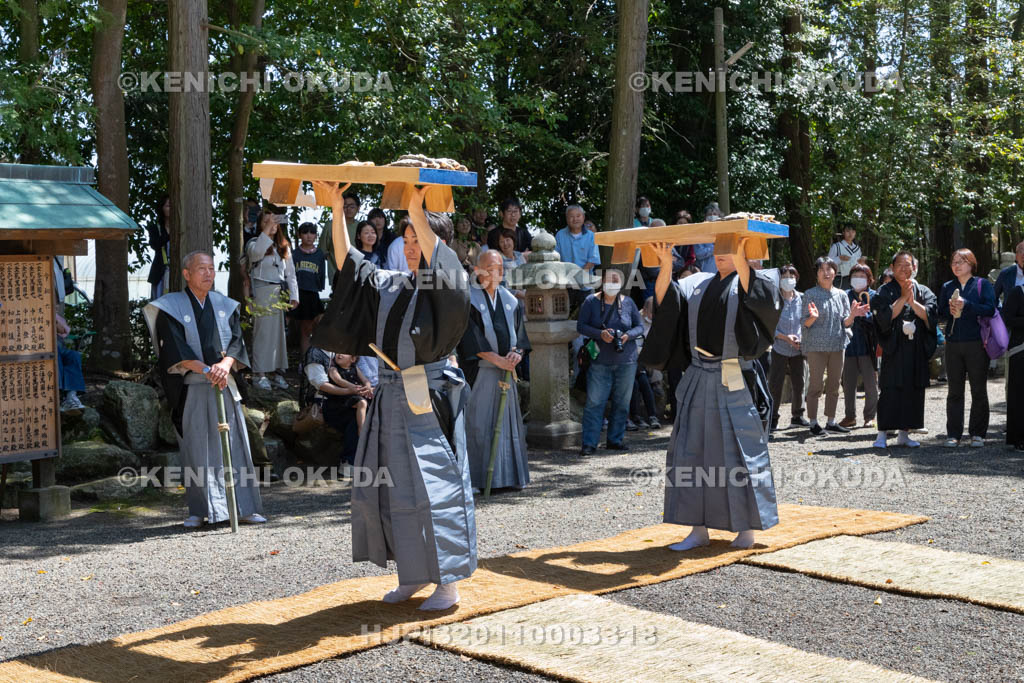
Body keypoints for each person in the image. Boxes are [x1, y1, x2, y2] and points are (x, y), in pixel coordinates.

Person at [311, 180, 474, 611]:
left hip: (429, 394)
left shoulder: (450, 281)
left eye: (419, 239)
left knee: (436, 488)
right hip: (389, 395)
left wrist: (415, 203)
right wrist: (335, 207)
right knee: (395, 489)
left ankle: (448, 582)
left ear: (439, 246)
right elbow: (349, 262)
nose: (411, 247)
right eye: (406, 240)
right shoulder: (392, 283)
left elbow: (439, 259)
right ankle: (412, 574)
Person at [641, 239, 782, 550]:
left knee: (739, 454)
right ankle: (698, 529)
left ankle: (747, 530)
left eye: (727, 248)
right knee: (691, 452)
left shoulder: (755, 281)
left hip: (732, 375)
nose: (720, 254)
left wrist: (742, 252)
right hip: (698, 374)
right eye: (717, 248)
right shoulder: (698, 283)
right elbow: (665, 303)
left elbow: (760, 303)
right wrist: (666, 264)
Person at [143, 251, 265, 528]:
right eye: (201, 269)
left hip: (224, 384)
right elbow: (175, 350)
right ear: (186, 274)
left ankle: (244, 508)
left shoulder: (225, 305)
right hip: (195, 387)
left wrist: (225, 365)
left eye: (211, 268)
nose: (208, 273)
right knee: (197, 450)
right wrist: (208, 370)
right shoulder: (170, 307)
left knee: (235, 447)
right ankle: (199, 510)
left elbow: (236, 342)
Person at [458, 250, 531, 491]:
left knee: (508, 425)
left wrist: (516, 354)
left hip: (506, 371)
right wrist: (498, 360)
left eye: (499, 269)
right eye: (489, 268)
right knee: (478, 424)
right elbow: (470, 340)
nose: (494, 273)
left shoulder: (510, 300)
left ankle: (510, 477)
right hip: (481, 372)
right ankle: (478, 479)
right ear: (477, 270)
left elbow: (521, 337)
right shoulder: (468, 300)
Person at [870, 251, 938, 449]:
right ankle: (882, 434)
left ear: (914, 267)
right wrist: (902, 298)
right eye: (899, 265)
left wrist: (912, 302)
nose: (903, 268)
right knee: (890, 389)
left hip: (915, 348)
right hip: (894, 348)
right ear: (892, 268)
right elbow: (884, 318)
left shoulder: (923, 291)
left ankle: (904, 434)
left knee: (913, 389)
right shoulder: (884, 291)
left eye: (908, 264)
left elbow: (930, 316)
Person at [577, 269, 643, 456]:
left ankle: (615, 440)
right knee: (595, 402)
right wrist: (600, 334)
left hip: (626, 359)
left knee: (622, 403)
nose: (612, 283)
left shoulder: (628, 302)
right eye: (608, 279)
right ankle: (589, 443)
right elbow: (581, 326)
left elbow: (639, 326)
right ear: (602, 282)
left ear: (621, 283)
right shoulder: (591, 301)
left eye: (616, 280)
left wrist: (627, 335)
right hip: (600, 360)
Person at [802, 256, 868, 436]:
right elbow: (804, 323)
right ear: (816, 274)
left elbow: (845, 323)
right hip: (816, 346)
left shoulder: (841, 295)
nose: (826, 273)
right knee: (815, 385)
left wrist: (853, 315)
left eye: (829, 269)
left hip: (838, 345)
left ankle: (831, 421)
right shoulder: (809, 294)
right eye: (821, 269)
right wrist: (812, 317)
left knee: (834, 385)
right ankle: (813, 422)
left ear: (835, 272)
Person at [937, 248, 995, 448]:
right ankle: (954, 434)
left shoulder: (982, 284)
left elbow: (990, 309)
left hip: (977, 343)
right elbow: (940, 312)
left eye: (961, 261)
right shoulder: (947, 286)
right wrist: (950, 308)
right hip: (953, 343)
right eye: (954, 262)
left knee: (978, 389)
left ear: (971, 263)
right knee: (954, 391)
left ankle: (978, 433)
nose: (956, 265)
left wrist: (966, 304)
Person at [246, 209, 299, 390]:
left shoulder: (283, 246)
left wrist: (294, 295)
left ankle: (278, 372)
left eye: (274, 221)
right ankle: (259, 374)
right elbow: (256, 254)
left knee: (279, 336)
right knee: (262, 334)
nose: (271, 225)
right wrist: (267, 231)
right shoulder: (254, 243)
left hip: (279, 292)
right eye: (266, 221)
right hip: (262, 291)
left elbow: (290, 273)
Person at [300, 346, 371, 462]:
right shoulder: (315, 353)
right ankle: (349, 460)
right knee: (353, 418)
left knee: (369, 409)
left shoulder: (337, 348)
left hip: (344, 398)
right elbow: (322, 385)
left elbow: (364, 380)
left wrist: (365, 389)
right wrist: (351, 390)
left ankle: (367, 456)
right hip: (324, 401)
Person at [767, 264, 808, 430]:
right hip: (779, 348)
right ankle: (772, 418)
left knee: (800, 383)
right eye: (784, 277)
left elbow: (807, 322)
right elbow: (769, 326)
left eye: (791, 277)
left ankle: (798, 416)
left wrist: (802, 338)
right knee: (775, 385)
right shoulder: (774, 299)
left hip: (799, 349)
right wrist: (785, 338)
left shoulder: (803, 298)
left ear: (796, 279)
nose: (788, 280)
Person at [839, 264, 878, 429]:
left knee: (870, 384)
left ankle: (870, 416)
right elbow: (840, 319)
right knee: (848, 384)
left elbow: (880, 320)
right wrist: (853, 314)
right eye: (855, 276)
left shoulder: (875, 296)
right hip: (848, 346)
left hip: (868, 346)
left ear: (869, 280)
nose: (858, 279)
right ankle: (850, 416)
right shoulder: (844, 295)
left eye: (862, 276)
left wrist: (866, 315)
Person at [555, 204, 601, 312]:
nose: (575, 219)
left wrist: (579, 276)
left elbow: (593, 259)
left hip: (586, 284)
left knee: (588, 314)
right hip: (565, 283)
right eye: (571, 216)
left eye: (578, 216)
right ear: (567, 219)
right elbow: (555, 258)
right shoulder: (560, 235)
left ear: (583, 217)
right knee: (562, 313)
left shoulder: (591, 236)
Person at [291, 222, 327, 356]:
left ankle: (315, 357)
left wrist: (320, 286)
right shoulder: (294, 254)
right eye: (305, 232)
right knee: (303, 329)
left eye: (312, 233)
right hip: (298, 293)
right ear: (299, 235)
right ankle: (304, 359)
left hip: (313, 293)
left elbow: (321, 273)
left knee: (314, 325)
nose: (309, 236)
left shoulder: (319, 254)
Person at [628, 297, 660, 430]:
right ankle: (635, 416)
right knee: (635, 384)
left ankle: (652, 416)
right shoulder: (636, 321)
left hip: (641, 362)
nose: (653, 316)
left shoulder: (657, 321)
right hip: (630, 359)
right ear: (645, 310)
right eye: (651, 312)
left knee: (644, 381)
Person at [1000, 282, 1024, 450]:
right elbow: (1007, 318)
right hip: (1020, 350)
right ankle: (1018, 438)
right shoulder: (1018, 292)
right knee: (1019, 395)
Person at [321, 191, 362, 281]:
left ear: (358, 208)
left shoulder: (361, 227)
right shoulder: (330, 225)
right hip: (336, 275)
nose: (348, 209)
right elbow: (322, 252)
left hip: (357, 275)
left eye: (352, 206)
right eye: (345, 206)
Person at [54, 313, 86, 414]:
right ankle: (60, 397)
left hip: (58, 343)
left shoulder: (53, 313)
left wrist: (54, 321)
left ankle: (71, 396)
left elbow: (63, 330)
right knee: (56, 356)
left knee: (74, 355)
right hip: (44, 345)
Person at [147, 196, 171, 300]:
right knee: (159, 303)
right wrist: (169, 234)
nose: (171, 209)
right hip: (160, 272)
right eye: (168, 206)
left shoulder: (182, 228)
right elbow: (155, 245)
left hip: (179, 271)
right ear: (162, 208)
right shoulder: (155, 228)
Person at [827, 226, 863, 290]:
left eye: (853, 232)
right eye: (848, 231)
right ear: (843, 232)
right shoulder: (836, 246)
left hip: (854, 278)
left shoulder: (857, 249)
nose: (850, 234)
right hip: (840, 279)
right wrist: (839, 258)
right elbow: (828, 263)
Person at [993, 240, 1024, 308]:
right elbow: (993, 296)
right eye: (1021, 252)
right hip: (1010, 313)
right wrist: (1000, 311)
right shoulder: (1006, 273)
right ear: (1016, 256)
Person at [692, 202, 720, 274]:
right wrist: (716, 247)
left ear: (719, 216)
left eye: (715, 214)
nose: (712, 216)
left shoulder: (725, 231)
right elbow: (699, 254)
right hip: (706, 272)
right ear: (705, 217)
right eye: (709, 214)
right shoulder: (699, 233)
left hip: (723, 272)